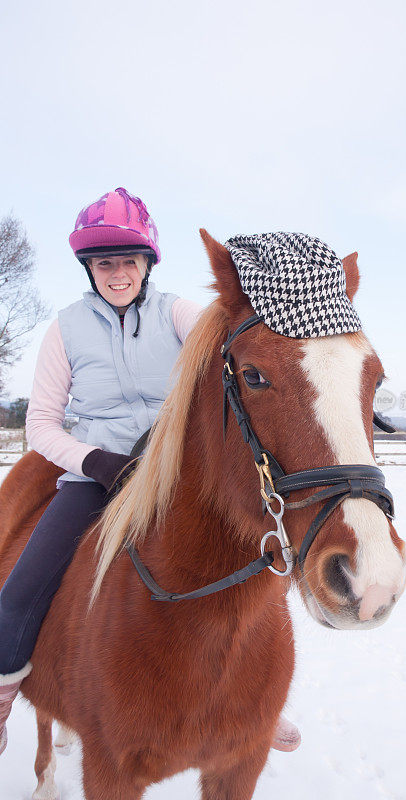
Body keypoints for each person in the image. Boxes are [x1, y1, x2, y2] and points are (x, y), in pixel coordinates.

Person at [0, 188, 300, 756]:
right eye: (105, 262)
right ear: (89, 268)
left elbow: (233, 341)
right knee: (23, 583)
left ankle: (262, 696)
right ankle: (4, 690)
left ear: (147, 264)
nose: (118, 273)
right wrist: (94, 460)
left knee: (259, 559)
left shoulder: (176, 313)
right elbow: (40, 424)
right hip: (98, 471)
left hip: (176, 472)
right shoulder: (63, 330)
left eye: (128, 261)